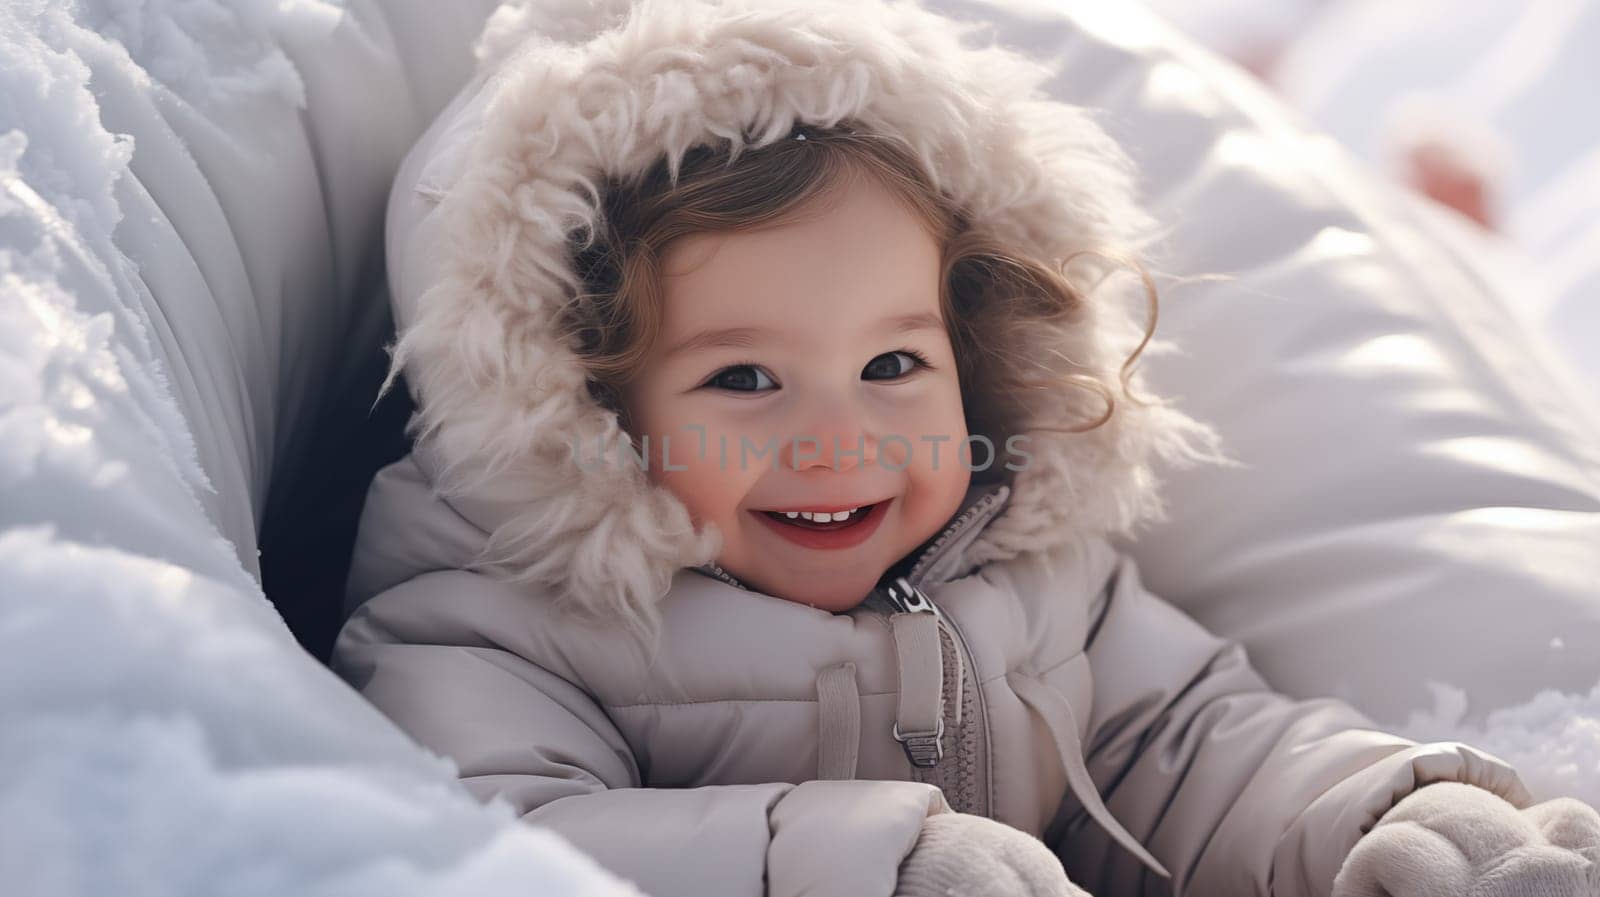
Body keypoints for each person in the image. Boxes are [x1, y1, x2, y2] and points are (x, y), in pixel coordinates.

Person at [329, 1, 1600, 895]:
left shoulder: (1023, 571)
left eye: (893, 366)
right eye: (744, 377)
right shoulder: (492, 623)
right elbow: (496, 847)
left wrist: (1396, 820)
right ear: (586, 400)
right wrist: (872, 869)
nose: (841, 440)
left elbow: (1191, 749)